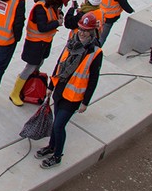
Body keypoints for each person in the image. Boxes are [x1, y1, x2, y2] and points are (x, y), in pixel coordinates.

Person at [38, 12, 104, 168]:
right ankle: (51, 146)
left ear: (92, 32)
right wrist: (51, 86)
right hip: (60, 91)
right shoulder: (71, 43)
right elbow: (59, 64)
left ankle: (57, 155)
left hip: (73, 97)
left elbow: (93, 79)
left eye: (86, 30)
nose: (82, 32)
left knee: (59, 126)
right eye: (80, 28)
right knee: (55, 123)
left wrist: (85, 102)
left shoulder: (95, 53)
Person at [9, 0, 69, 106]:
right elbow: (42, 27)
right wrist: (57, 23)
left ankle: (27, 86)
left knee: (37, 65)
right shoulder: (40, 7)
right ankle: (14, 93)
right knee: (30, 67)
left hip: (43, 43)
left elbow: (52, 16)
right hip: (35, 44)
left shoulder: (50, 5)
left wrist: (59, 15)